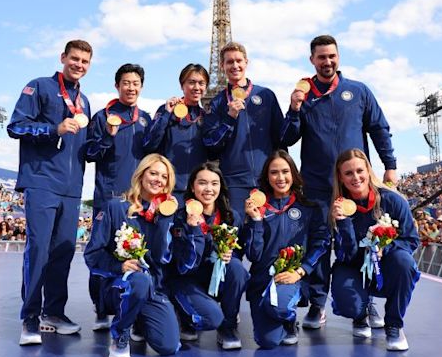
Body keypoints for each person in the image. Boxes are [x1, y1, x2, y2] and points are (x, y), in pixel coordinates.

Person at [281, 34, 397, 329]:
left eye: (332, 56)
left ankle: (366, 304)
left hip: (355, 186)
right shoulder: (303, 96)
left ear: (338, 57)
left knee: (363, 242)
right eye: (321, 57)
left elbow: (379, 128)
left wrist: (390, 166)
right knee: (318, 243)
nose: (327, 61)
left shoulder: (358, 91)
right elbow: (287, 138)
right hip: (317, 184)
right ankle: (317, 305)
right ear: (312, 60)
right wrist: (294, 109)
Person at [7, 39, 93, 346]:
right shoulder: (39, 87)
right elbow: (16, 126)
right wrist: (52, 129)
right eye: (74, 58)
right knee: (39, 250)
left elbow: (85, 148)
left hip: (72, 189)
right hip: (41, 181)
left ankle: (53, 313)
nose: (78, 65)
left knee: (63, 253)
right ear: (63, 58)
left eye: (84, 61)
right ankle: (30, 317)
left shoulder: (85, 102)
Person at [84, 154, 180, 357]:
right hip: (117, 285)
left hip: (152, 288)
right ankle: (120, 334)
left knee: (169, 346)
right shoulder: (115, 207)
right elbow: (92, 255)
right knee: (139, 280)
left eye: (164, 176)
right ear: (141, 175)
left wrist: (165, 221)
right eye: (153, 173)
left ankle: (139, 319)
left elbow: (163, 258)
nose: (158, 180)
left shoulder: (166, 215)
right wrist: (118, 267)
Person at [329, 149, 419, 351]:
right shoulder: (338, 207)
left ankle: (394, 324)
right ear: (341, 178)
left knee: (405, 263)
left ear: (368, 171)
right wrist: (342, 223)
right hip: (353, 266)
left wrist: (384, 250)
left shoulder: (393, 200)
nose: (356, 177)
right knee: (347, 304)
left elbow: (411, 240)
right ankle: (360, 314)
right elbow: (347, 255)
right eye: (348, 173)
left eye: (360, 170)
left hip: (385, 265)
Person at [86, 63, 151, 330]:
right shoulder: (103, 117)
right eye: (126, 82)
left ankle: (131, 308)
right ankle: (101, 309)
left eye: (136, 83)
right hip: (108, 197)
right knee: (104, 253)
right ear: (117, 85)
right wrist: (107, 138)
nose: (131, 87)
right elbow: (89, 154)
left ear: (141, 87)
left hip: (137, 201)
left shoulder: (146, 119)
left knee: (136, 254)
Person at [242, 150, 328, 349]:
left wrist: (300, 271)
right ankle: (277, 316)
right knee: (267, 342)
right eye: (274, 172)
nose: (280, 178)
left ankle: (288, 318)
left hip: (292, 277)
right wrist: (255, 221)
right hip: (262, 281)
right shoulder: (258, 209)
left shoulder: (308, 207)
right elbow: (253, 255)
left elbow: (321, 242)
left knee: (280, 308)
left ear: (293, 174)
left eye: (285, 171)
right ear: (267, 176)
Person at [169, 162, 249, 350]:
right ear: (192, 187)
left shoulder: (231, 217)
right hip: (188, 279)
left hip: (217, 278)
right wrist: (194, 230)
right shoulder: (180, 218)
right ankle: (185, 316)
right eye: (202, 183)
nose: (209, 189)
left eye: (214, 183)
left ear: (221, 187)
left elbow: (240, 252)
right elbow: (182, 266)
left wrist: (230, 254)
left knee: (237, 268)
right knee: (212, 319)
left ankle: (228, 327)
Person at [202, 42, 285, 218]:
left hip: (267, 179)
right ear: (222, 66)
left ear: (246, 62)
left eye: (239, 60)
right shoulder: (217, 102)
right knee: (236, 235)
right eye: (229, 62)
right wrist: (229, 118)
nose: (235, 65)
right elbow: (210, 145)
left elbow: (281, 137)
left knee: (268, 236)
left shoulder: (266, 95)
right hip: (234, 182)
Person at [143, 64, 209, 204]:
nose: (196, 87)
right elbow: (150, 144)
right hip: (168, 188)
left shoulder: (207, 117)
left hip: (196, 190)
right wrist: (167, 114)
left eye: (201, 83)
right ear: (182, 85)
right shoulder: (166, 110)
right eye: (191, 82)